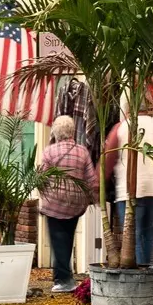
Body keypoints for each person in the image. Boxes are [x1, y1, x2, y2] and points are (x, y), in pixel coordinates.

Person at [39, 116, 98, 293]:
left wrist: (45, 195)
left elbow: (40, 177)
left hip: (54, 204)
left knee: (58, 240)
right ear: (73, 132)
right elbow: (91, 179)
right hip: (75, 204)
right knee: (67, 238)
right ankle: (65, 277)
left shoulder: (49, 152)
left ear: (56, 132)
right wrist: (90, 200)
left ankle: (63, 279)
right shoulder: (82, 152)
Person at [107, 113, 153, 268]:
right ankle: (148, 271)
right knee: (148, 233)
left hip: (128, 191)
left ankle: (139, 277)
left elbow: (108, 157)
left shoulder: (122, 127)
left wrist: (98, 183)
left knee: (133, 236)